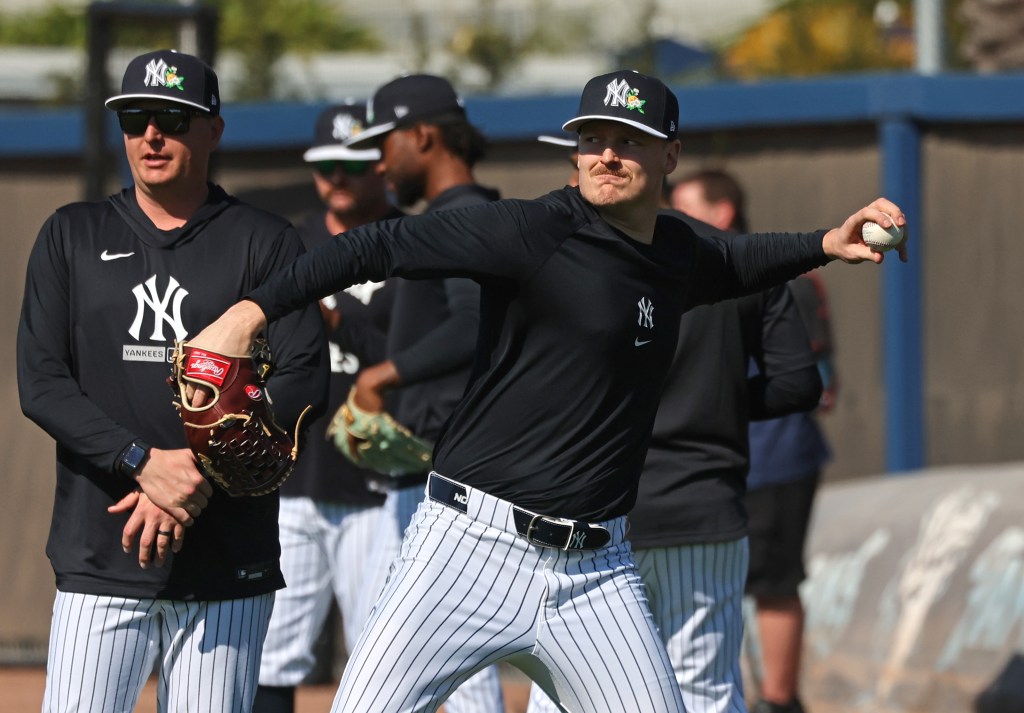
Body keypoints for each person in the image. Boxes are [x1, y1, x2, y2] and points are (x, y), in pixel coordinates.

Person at [185, 69, 908, 713]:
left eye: (627, 140)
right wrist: (247, 315)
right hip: (468, 548)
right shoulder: (529, 231)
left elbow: (743, 258)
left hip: (596, 572)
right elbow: (373, 246)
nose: (607, 155)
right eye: (592, 138)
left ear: (670, 156)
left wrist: (827, 240)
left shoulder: (678, 251)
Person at [16, 49, 327, 713]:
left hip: (226, 560)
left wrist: (191, 475)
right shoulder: (71, 234)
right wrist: (139, 463)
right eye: (134, 118)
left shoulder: (265, 241)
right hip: (102, 553)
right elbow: (41, 380)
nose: (151, 134)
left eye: (172, 118)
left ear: (213, 130)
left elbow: (304, 380)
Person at [525, 168, 821, 713]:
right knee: (702, 692)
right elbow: (799, 384)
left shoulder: (574, 256)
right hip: (701, 506)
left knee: (567, 697)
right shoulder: (742, 258)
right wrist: (724, 400)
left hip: (591, 513)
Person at [342, 73, 507, 713]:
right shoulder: (461, 216)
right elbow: (424, 320)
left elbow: (472, 326)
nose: (379, 161)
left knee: (452, 677)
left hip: (452, 481)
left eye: (387, 143)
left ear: (424, 135)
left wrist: (381, 377)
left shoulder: (464, 218)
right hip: (430, 474)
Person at [253, 101, 401, 713]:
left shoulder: (410, 242)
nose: (337, 178)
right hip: (295, 477)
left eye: (353, 164)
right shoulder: (291, 244)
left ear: (382, 166)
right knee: (269, 655)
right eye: (326, 166)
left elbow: (415, 356)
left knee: (385, 663)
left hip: (383, 484)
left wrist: (336, 314)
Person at [744, 266, 836, 713]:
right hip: (719, 459)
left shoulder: (775, 276)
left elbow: (815, 385)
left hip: (775, 457)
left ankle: (779, 703)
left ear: (722, 211)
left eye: (689, 202)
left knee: (774, 582)